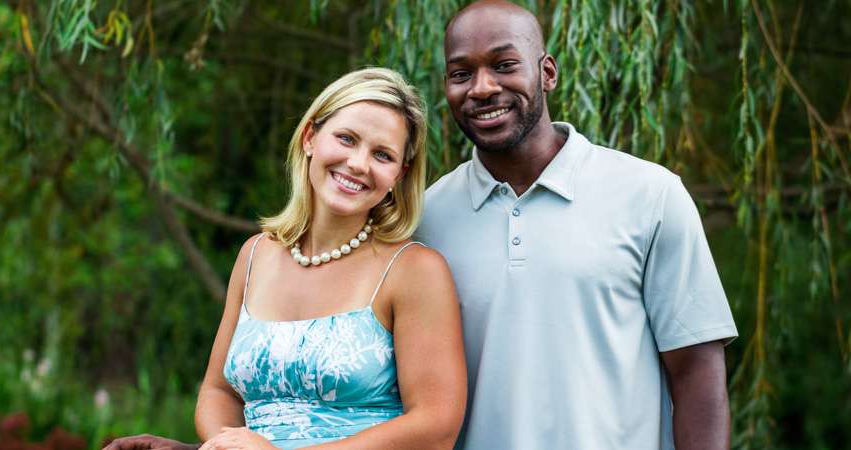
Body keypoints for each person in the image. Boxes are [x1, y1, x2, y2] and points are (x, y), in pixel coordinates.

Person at [416, 1, 738, 449]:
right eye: (461, 73)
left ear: (547, 73)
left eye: (505, 65)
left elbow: (696, 371)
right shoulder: (426, 219)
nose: (482, 88)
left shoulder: (650, 195)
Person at [105, 68, 467, 450]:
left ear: (399, 174)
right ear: (310, 137)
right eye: (346, 138)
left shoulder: (413, 270)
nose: (359, 164)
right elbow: (218, 392)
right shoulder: (255, 254)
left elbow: (435, 426)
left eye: (382, 155)